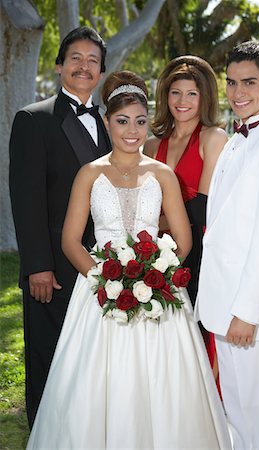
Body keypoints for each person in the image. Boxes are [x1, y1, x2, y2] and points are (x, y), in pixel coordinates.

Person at [26, 70, 231, 449]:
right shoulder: (89, 174)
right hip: (99, 293)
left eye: (139, 121)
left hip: (158, 292)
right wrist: (105, 279)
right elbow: (72, 241)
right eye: (122, 121)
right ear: (107, 123)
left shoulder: (163, 174)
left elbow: (183, 240)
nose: (132, 130)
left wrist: (156, 273)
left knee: (165, 384)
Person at [195, 41, 259, 449]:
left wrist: (247, 313)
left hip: (248, 316)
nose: (238, 93)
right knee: (236, 418)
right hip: (224, 305)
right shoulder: (237, 138)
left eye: (250, 83)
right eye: (232, 83)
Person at [9, 26, 111, 428]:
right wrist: (37, 264)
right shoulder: (33, 120)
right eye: (76, 58)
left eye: (93, 61)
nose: (84, 67)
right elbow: (26, 197)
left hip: (101, 268)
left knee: (89, 365)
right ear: (59, 66)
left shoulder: (112, 124)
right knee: (49, 364)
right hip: (52, 270)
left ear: (101, 72)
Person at [144, 55, 227, 373]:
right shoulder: (152, 146)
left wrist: (159, 223)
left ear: (205, 97)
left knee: (195, 334)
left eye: (192, 93)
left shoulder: (213, 138)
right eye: (175, 92)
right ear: (165, 95)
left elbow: (202, 207)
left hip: (198, 252)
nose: (183, 101)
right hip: (155, 253)